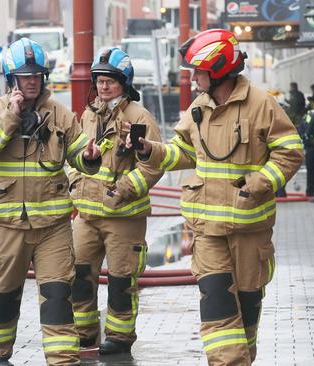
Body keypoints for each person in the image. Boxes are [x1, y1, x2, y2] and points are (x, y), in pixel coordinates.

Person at [126, 29, 303, 365]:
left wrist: (262, 182)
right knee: (217, 300)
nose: (194, 79)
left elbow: (290, 151)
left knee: (247, 308)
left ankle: (240, 357)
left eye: (198, 71)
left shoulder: (262, 105)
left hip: (250, 230)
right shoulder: (198, 108)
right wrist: (149, 149)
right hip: (207, 229)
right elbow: (181, 152)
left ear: (219, 68)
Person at [0, 37, 101, 366]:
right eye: (24, 75)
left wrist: (90, 157)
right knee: (3, 294)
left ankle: (63, 361)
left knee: (58, 297)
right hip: (7, 226)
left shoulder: (60, 115)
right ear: (11, 78)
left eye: (36, 75)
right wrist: (11, 118)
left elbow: (80, 155)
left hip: (53, 228)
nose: (31, 80)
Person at [68, 47, 163, 355]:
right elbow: (74, 154)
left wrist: (123, 189)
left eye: (111, 80)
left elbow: (153, 164)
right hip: (86, 215)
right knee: (79, 277)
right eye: (99, 80)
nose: (104, 86)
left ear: (125, 82)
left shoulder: (139, 117)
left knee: (122, 281)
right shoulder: (88, 114)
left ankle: (120, 339)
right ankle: (84, 334)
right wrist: (74, 181)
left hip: (124, 217)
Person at [298, 97, 314, 197]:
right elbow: (301, 129)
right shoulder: (311, 114)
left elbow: (302, 130)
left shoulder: (310, 114)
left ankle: (312, 191)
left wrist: (305, 137)